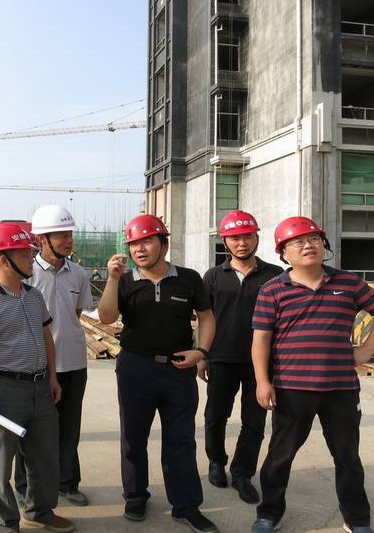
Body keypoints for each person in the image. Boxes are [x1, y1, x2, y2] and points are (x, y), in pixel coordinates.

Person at [250, 217, 374, 533]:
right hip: (291, 389)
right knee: (280, 457)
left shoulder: (349, 283)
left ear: (323, 244)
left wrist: (366, 351)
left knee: (347, 457)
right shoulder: (272, 290)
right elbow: (260, 339)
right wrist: (263, 381)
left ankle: (356, 519)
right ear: (283, 252)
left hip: (341, 389)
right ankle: (268, 514)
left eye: (314, 239)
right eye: (298, 242)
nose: (308, 245)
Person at [97, 214, 218, 533]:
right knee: (133, 437)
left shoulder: (188, 278)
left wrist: (201, 352)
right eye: (134, 244)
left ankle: (186, 506)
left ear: (163, 244)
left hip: (179, 369)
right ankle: (135, 496)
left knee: (181, 440)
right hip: (135, 368)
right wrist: (112, 279)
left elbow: (206, 316)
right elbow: (106, 317)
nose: (139, 249)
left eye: (147, 241)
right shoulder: (124, 281)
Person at [0, 223, 75, 533]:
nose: (31, 260)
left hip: (40, 388)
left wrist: (52, 377)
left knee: (45, 457)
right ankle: (5, 523)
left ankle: (40, 512)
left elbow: (46, 336)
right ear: (3, 260)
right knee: (0, 463)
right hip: (5, 390)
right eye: (24, 255)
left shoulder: (33, 295)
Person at [201, 211, 283, 504]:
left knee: (254, 422)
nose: (241, 243)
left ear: (256, 237)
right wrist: (203, 354)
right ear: (225, 241)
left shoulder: (275, 275)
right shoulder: (213, 276)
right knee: (215, 416)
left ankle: (242, 473)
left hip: (261, 364)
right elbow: (205, 318)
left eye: (247, 236)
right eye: (234, 238)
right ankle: (216, 461)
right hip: (221, 358)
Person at [13, 205, 93, 507]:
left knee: (69, 428)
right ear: (42, 239)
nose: (68, 240)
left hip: (73, 363)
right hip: (37, 366)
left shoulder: (79, 274)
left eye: (69, 234)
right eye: (60, 235)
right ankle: (25, 486)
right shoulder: (27, 274)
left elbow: (76, 313)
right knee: (31, 430)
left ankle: (67, 483)